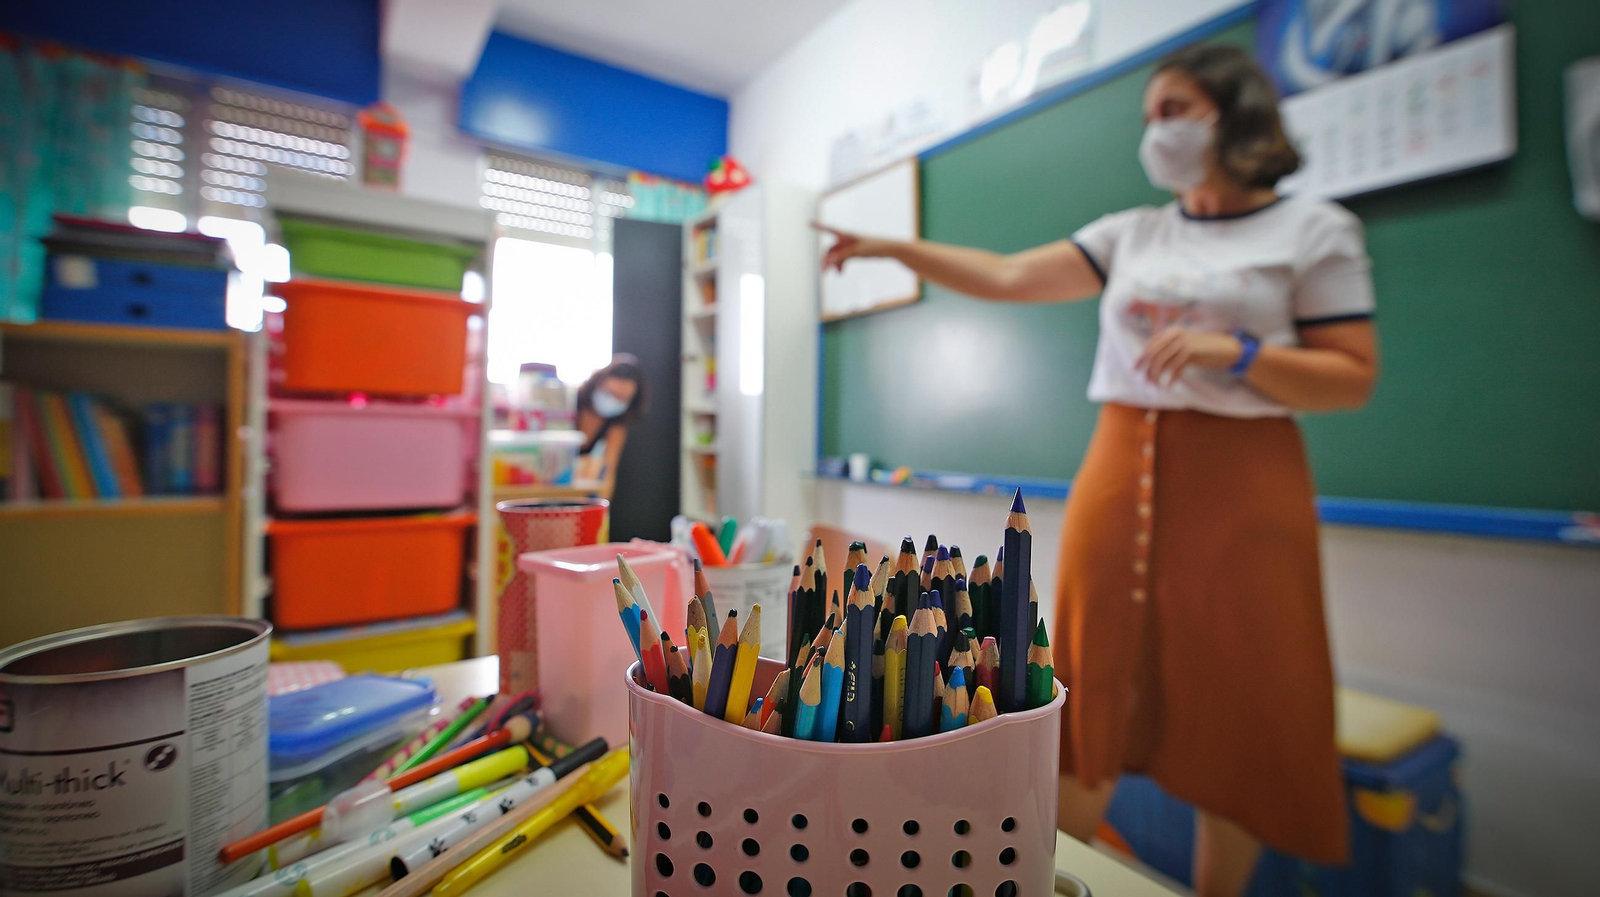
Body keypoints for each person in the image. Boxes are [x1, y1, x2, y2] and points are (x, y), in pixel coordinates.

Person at [818, 44, 1375, 897]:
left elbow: (1351, 374)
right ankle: (1045, 876)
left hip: (1246, 487)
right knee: (1079, 676)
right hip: (1119, 472)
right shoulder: (1133, 232)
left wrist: (1244, 351)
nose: (1156, 130)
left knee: (1243, 692)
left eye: (1175, 110)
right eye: (1150, 114)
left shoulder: (1314, 228)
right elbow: (1007, 276)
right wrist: (896, 247)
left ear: (1234, 114)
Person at [573, 355, 646, 499]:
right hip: (548, 484)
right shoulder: (571, 404)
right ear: (598, 384)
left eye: (622, 399)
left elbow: (609, 472)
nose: (615, 402)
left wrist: (603, 511)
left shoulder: (616, 425)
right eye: (612, 394)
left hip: (579, 495)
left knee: (594, 466)